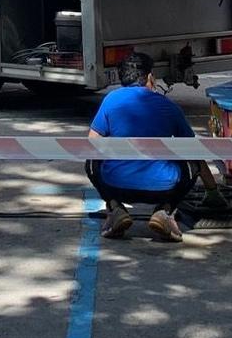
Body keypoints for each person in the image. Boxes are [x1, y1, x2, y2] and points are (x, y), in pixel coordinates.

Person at [86, 58, 220, 242]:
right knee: (191, 164)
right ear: (150, 77)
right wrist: (212, 191)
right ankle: (164, 211)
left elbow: (91, 144)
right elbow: (194, 152)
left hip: (116, 186)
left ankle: (115, 207)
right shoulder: (169, 106)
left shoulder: (110, 100)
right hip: (163, 189)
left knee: (91, 162)